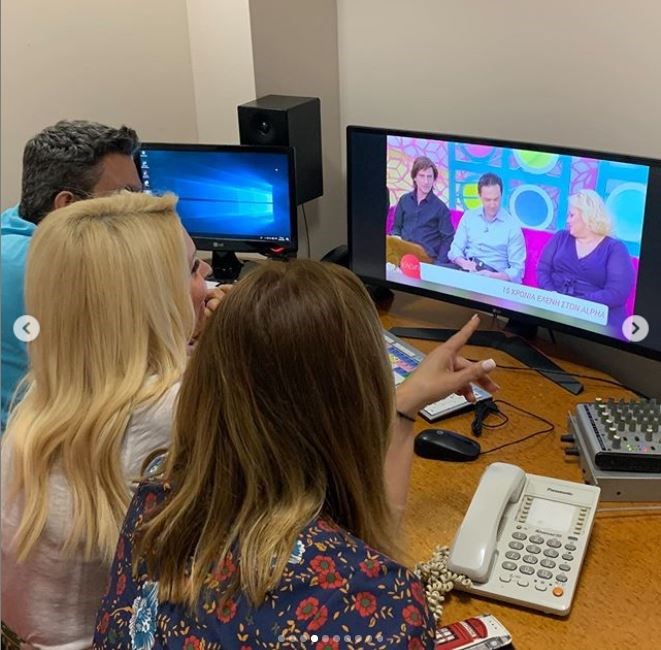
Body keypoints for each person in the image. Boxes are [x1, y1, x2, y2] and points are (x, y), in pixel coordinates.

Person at [93, 260, 498, 648]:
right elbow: (362, 591)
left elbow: (356, 556)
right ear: (361, 402)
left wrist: (402, 408)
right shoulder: (375, 603)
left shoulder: (155, 504)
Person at [1, 192, 219, 649]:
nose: (207, 278)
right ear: (153, 302)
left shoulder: (43, 396)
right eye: (192, 269)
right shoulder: (178, 411)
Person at [1, 120, 143, 431]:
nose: (139, 212)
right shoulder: (42, 269)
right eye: (125, 196)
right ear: (66, 205)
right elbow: (135, 367)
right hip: (34, 447)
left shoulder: (14, 226)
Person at [537, 189, 634, 330]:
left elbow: (617, 293)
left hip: (595, 318)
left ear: (588, 217)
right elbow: (542, 269)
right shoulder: (560, 237)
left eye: (571, 215)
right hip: (554, 308)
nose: (567, 220)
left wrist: (574, 305)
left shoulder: (615, 248)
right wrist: (552, 295)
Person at [448, 173, 526, 282]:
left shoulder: (512, 226)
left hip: (494, 277)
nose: (492, 205)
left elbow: (517, 271)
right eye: (488, 200)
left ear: (501, 195)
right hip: (467, 269)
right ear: (479, 196)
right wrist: (464, 263)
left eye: (496, 199)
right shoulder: (469, 216)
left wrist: (491, 276)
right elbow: (455, 249)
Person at [390, 156, 454, 264]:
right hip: (402, 252)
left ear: (434, 179)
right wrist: (396, 238)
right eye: (422, 176)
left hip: (424, 256)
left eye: (429, 177)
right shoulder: (404, 200)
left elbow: (448, 239)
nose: (426, 181)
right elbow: (396, 227)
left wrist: (439, 264)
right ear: (414, 177)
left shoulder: (441, 208)